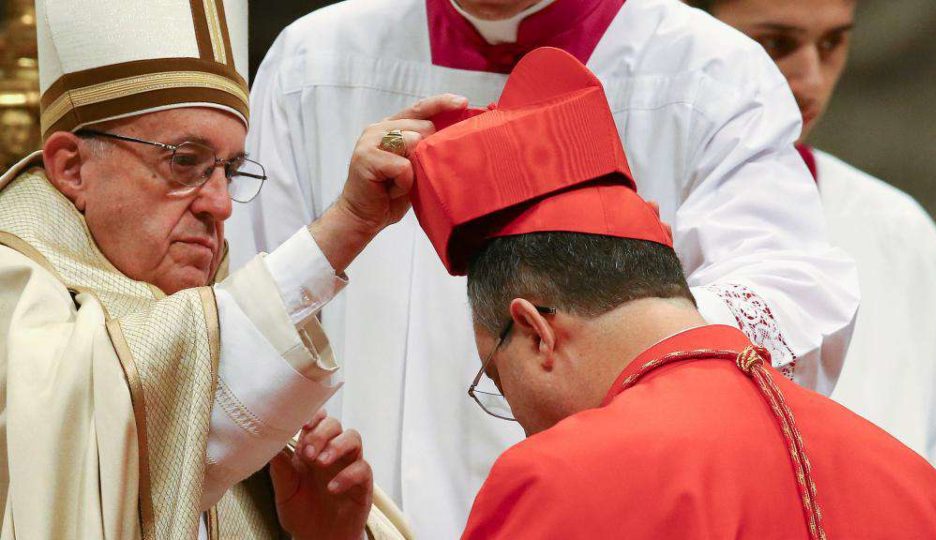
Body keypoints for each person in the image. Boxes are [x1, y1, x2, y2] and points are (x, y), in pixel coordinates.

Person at [229, 1, 860, 534]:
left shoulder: (711, 72)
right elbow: (234, 329)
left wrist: (616, 342)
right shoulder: (315, 60)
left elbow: (792, 305)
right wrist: (344, 223)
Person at [394, 46, 936, 540]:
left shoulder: (562, 479)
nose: (515, 418)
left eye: (494, 377)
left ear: (537, 331)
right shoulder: (911, 479)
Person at [0, 0, 454, 537]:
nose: (220, 204)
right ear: (71, 167)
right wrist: (347, 224)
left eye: (231, 169)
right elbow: (116, 417)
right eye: (184, 162)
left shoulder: (225, 328)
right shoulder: (19, 298)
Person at [690, 0, 936, 494]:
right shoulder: (603, 221)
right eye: (775, 44)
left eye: (832, 43)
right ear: (678, 35)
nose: (809, 81)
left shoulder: (900, 234)